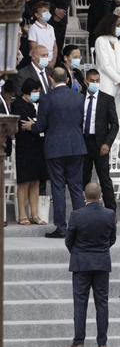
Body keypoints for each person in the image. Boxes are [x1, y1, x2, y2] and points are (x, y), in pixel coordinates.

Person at [21, 67, 87, 239]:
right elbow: (81, 121)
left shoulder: (46, 99)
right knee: (76, 187)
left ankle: (61, 228)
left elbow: (41, 126)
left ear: (51, 80)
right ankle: (79, 227)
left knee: (58, 188)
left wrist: (31, 126)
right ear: (67, 80)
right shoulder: (79, 97)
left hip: (55, 148)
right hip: (76, 146)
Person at [63, 183, 116, 347]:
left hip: (81, 263)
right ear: (100, 195)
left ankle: (78, 342)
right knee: (102, 303)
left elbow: (69, 240)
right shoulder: (109, 214)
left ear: (84, 195)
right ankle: (102, 343)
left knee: (80, 304)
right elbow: (112, 239)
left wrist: (78, 252)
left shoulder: (77, 215)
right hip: (101, 262)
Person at [82, 69, 119, 213]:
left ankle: (111, 211)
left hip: (101, 144)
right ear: (86, 81)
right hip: (83, 142)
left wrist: (107, 143)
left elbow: (115, 124)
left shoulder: (107, 99)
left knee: (104, 179)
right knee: (83, 178)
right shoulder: (80, 98)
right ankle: (83, 211)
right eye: (92, 81)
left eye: (97, 81)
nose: (95, 83)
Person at [12, 79, 48, 226]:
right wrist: (35, 125)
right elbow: (23, 125)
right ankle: (22, 214)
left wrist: (35, 125)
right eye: (34, 91)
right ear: (27, 91)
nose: (37, 94)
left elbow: (38, 124)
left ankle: (34, 214)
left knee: (36, 181)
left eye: (38, 91)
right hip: (25, 147)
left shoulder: (37, 104)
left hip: (38, 147)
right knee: (24, 182)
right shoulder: (18, 105)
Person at [93, 14, 120, 121]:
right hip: (106, 83)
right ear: (109, 25)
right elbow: (105, 66)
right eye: (117, 25)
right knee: (106, 117)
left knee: (117, 119)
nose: (119, 28)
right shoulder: (100, 40)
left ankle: (116, 138)